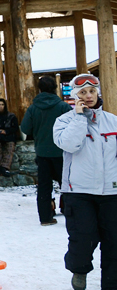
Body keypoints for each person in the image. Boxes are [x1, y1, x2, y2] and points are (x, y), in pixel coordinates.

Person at [53, 74, 117, 290]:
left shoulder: (113, 121)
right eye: (82, 92)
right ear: (75, 96)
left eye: (92, 91)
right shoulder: (64, 121)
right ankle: (79, 271)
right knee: (83, 239)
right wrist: (80, 118)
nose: (88, 96)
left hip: (111, 193)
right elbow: (69, 145)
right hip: (78, 192)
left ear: (98, 92)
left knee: (114, 244)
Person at [21, 76, 72, 226]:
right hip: (62, 153)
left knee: (44, 187)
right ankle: (69, 212)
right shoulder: (63, 107)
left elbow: (25, 128)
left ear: (40, 89)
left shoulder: (33, 108)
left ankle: (45, 218)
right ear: (55, 88)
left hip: (42, 153)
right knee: (68, 184)